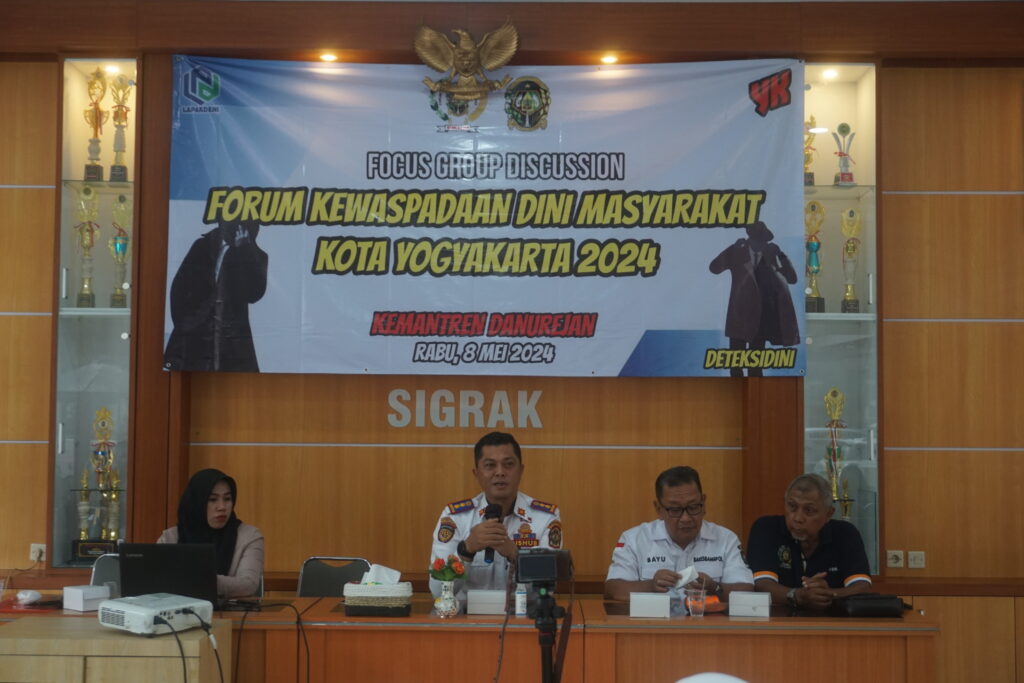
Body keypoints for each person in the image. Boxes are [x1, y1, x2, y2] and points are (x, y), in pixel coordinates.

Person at [429, 431, 562, 598]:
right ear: (476, 474)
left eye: (508, 464)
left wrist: (516, 556)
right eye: (490, 465)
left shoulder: (545, 517)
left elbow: (547, 589)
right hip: (467, 614)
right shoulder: (455, 517)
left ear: (521, 470)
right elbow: (437, 592)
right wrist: (466, 550)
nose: (500, 472)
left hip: (523, 613)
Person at [605, 466, 753, 601]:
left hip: (708, 621)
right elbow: (614, 590)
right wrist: (651, 585)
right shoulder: (634, 539)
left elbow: (746, 590)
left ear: (704, 503)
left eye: (693, 507)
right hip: (654, 621)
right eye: (675, 510)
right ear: (659, 509)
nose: (686, 518)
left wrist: (715, 588)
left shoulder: (726, 539)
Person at [746, 473, 871, 609]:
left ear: (828, 514)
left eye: (809, 510)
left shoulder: (845, 533)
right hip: (778, 618)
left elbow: (862, 586)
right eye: (792, 506)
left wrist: (827, 594)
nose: (798, 518)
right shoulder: (767, 528)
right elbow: (761, 585)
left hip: (833, 619)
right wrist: (798, 596)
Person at [164, 219, 268, 372]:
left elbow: (253, 294)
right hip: (194, 335)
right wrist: (185, 323)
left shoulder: (256, 256)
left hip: (232, 343)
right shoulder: (202, 246)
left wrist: (243, 251)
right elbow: (179, 287)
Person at [708, 221, 798, 376]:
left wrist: (781, 255)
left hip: (761, 318)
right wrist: (732, 248)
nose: (760, 245)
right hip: (739, 316)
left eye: (763, 241)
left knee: (756, 366)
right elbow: (714, 268)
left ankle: (756, 390)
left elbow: (792, 278)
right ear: (749, 239)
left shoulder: (772, 255)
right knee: (735, 364)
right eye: (757, 240)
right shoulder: (737, 253)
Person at [158, 468, 264, 599]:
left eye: (227, 499)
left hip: (230, 612)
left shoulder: (249, 536)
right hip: (177, 611)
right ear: (197, 502)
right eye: (213, 499)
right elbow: (157, 582)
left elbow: (248, 584)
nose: (222, 507)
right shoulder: (170, 538)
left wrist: (199, 580)